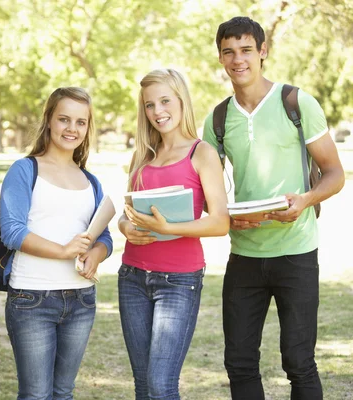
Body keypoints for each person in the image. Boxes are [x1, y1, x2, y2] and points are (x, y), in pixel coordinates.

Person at [203, 16, 345, 400]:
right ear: (220, 57)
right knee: (239, 362)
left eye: (246, 50)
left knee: (299, 362)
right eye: (228, 52)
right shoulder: (217, 119)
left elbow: (334, 174)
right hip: (244, 255)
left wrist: (306, 200)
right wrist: (232, 216)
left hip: (296, 253)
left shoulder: (296, 103)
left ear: (262, 52)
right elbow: (207, 191)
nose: (238, 59)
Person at [118, 68, 229, 400]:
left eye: (165, 101)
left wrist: (169, 228)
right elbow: (128, 214)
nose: (157, 111)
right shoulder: (142, 155)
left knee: (160, 385)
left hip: (179, 281)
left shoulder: (202, 153)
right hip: (133, 277)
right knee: (142, 383)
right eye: (149, 105)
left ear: (182, 102)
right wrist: (126, 227)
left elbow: (221, 222)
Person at [0, 87, 113, 400]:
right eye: (64, 119)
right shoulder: (25, 170)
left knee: (63, 392)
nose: (71, 129)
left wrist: (96, 255)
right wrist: (63, 251)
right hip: (32, 298)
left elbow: (103, 236)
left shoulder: (90, 181)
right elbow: (12, 231)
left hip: (81, 301)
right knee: (36, 394)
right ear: (49, 120)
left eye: (80, 122)